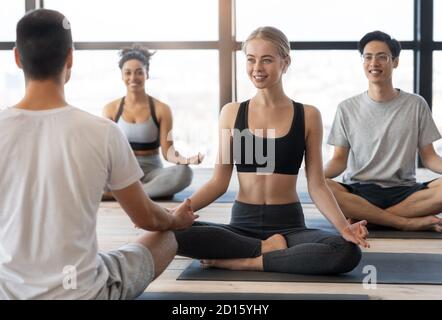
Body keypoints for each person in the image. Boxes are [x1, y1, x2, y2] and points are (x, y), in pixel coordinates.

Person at [0, 9, 197, 300]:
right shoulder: (103, 130)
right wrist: (174, 221)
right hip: (81, 291)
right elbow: (148, 221)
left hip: (9, 290)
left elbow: (169, 153)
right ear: (70, 58)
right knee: (165, 238)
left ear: (17, 57)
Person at [174, 26, 369, 275]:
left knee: (346, 251)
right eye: (251, 59)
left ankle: (248, 260)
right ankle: (265, 248)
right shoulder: (231, 113)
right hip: (241, 226)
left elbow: (317, 184)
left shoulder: (308, 115)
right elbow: (218, 182)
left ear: (285, 62)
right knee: (169, 233)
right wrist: (176, 213)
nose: (257, 68)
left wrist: (343, 228)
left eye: (267, 60)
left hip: (290, 228)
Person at [325, 30, 442, 232]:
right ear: (363, 62)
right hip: (359, 190)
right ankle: (403, 221)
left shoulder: (416, 104)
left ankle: (368, 218)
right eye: (368, 57)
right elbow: (338, 160)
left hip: (404, 190)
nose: (374, 63)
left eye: (382, 57)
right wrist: (312, 176)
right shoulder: (347, 107)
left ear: (394, 62)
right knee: (323, 188)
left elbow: (430, 157)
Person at [103, 46, 203, 200]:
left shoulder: (162, 109)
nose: (133, 78)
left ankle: (117, 195)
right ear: (122, 76)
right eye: (128, 73)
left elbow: (168, 152)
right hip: (122, 172)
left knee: (184, 173)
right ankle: (143, 193)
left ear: (147, 74)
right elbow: (107, 150)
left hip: (152, 173)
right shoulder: (110, 109)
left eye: (139, 72)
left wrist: (186, 160)